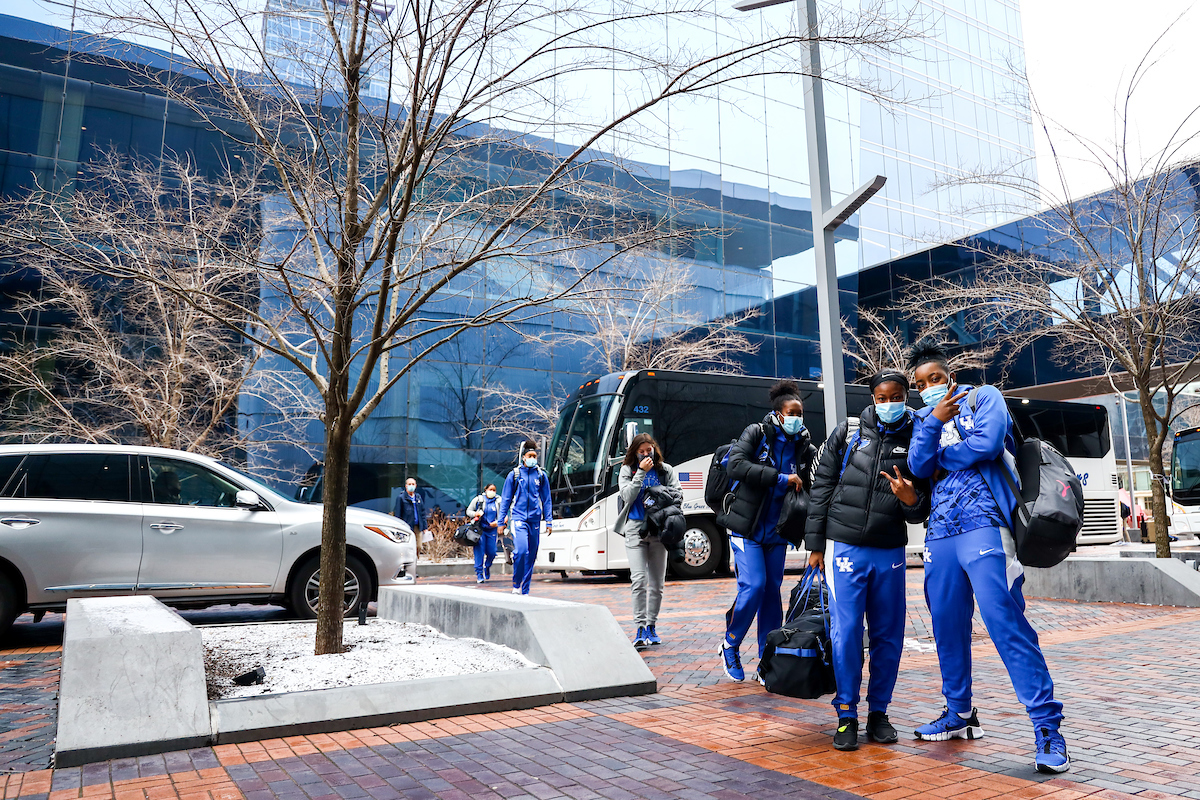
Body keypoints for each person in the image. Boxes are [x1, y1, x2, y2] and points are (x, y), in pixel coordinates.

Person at [906, 340, 1070, 774]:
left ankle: (1047, 726)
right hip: (940, 533)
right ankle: (959, 713)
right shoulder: (923, 418)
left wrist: (942, 456)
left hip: (986, 524)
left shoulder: (983, 397)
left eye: (935, 379)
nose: (928, 387)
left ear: (950, 377)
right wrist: (933, 425)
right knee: (946, 626)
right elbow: (918, 467)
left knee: (1005, 624)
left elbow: (988, 443)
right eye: (920, 384)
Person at [805, 369, 931, 751]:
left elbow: (921, 508)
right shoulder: (848, 433)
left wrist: (911, 499)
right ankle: (846, 714)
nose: (889, 403)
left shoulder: (919, 437)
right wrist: (815, 545)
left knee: (888, 634)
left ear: (906, 396)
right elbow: (822, 486)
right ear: (873, 398)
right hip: (844, 547)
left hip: (889, 549)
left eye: (897, 397)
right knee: (845, 633)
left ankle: (879, 713)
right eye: (882, 397)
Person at [720, 379, 816, 682]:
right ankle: (730, 643)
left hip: (778, 532)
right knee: (755, 586)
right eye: (791, 413)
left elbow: (813, 484)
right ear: (777, 414)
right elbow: (736, 466)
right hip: (746, 528)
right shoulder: (757, 433)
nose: (797, 418)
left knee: (772, 592)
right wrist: (780, 478)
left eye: (800, 413)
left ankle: (767, 660)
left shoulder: (804, 447)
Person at [613, 433, 682, 648]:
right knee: (639, 580)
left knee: (657, 584)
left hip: (659, 529)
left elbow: (678, 495)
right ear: (634, 453)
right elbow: (627, 496)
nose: (645, 454)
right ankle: (640, 627)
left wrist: (659, 496)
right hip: (635, 529)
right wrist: (641, 473)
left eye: (648, 450)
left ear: (654, 448)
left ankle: (651, 625)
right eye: (641, 451)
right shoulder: (628, 470)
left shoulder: (665, 470)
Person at [499, 440, 553, 595]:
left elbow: (547, 500)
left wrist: (549, 521)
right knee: (521, 551)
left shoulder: (541, 475)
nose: (533, 459)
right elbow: (506, 499)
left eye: (535, 456)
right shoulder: (514, 475)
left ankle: (525, 589)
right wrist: (501, 520)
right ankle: (516, 583)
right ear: (523, 457)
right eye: (530, 456)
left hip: (535, 520)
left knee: (532, 555)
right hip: (519, 518)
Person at [466, 483, 501, 583]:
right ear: (485, 490)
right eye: (490, 489)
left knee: (492, 552)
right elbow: (468, 511)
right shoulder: (479, 500)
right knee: (479, 552)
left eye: (494, 490)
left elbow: (503, 514)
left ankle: (488, 566)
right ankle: (479, 574)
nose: (492, 492)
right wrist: (475, 514)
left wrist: (498, 523)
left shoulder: (498, 501)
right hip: (479, 529)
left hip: (492, 530)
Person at [393, 478, 428, 553]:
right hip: (407, 526)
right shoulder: (401, 498)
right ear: (406, 486)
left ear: (416, 486)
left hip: (418, 526)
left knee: (419, 546)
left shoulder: (418, 497)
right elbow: (398, 513)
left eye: (413, 484)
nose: (411, 486)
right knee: (408, 547)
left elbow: (422, 512)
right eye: (409, 484)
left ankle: (416, 558)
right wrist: (398, 526)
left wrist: (425, 527)